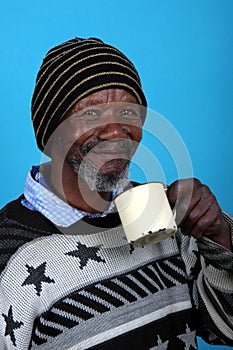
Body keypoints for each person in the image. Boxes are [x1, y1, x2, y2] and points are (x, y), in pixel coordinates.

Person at [0, 37, 232, 350]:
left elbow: (226, 329)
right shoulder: (10, 254)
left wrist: (219, 239)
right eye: (91, 114)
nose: (114, 131)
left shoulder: (163, 213)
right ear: (51, 132)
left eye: (128, 111)